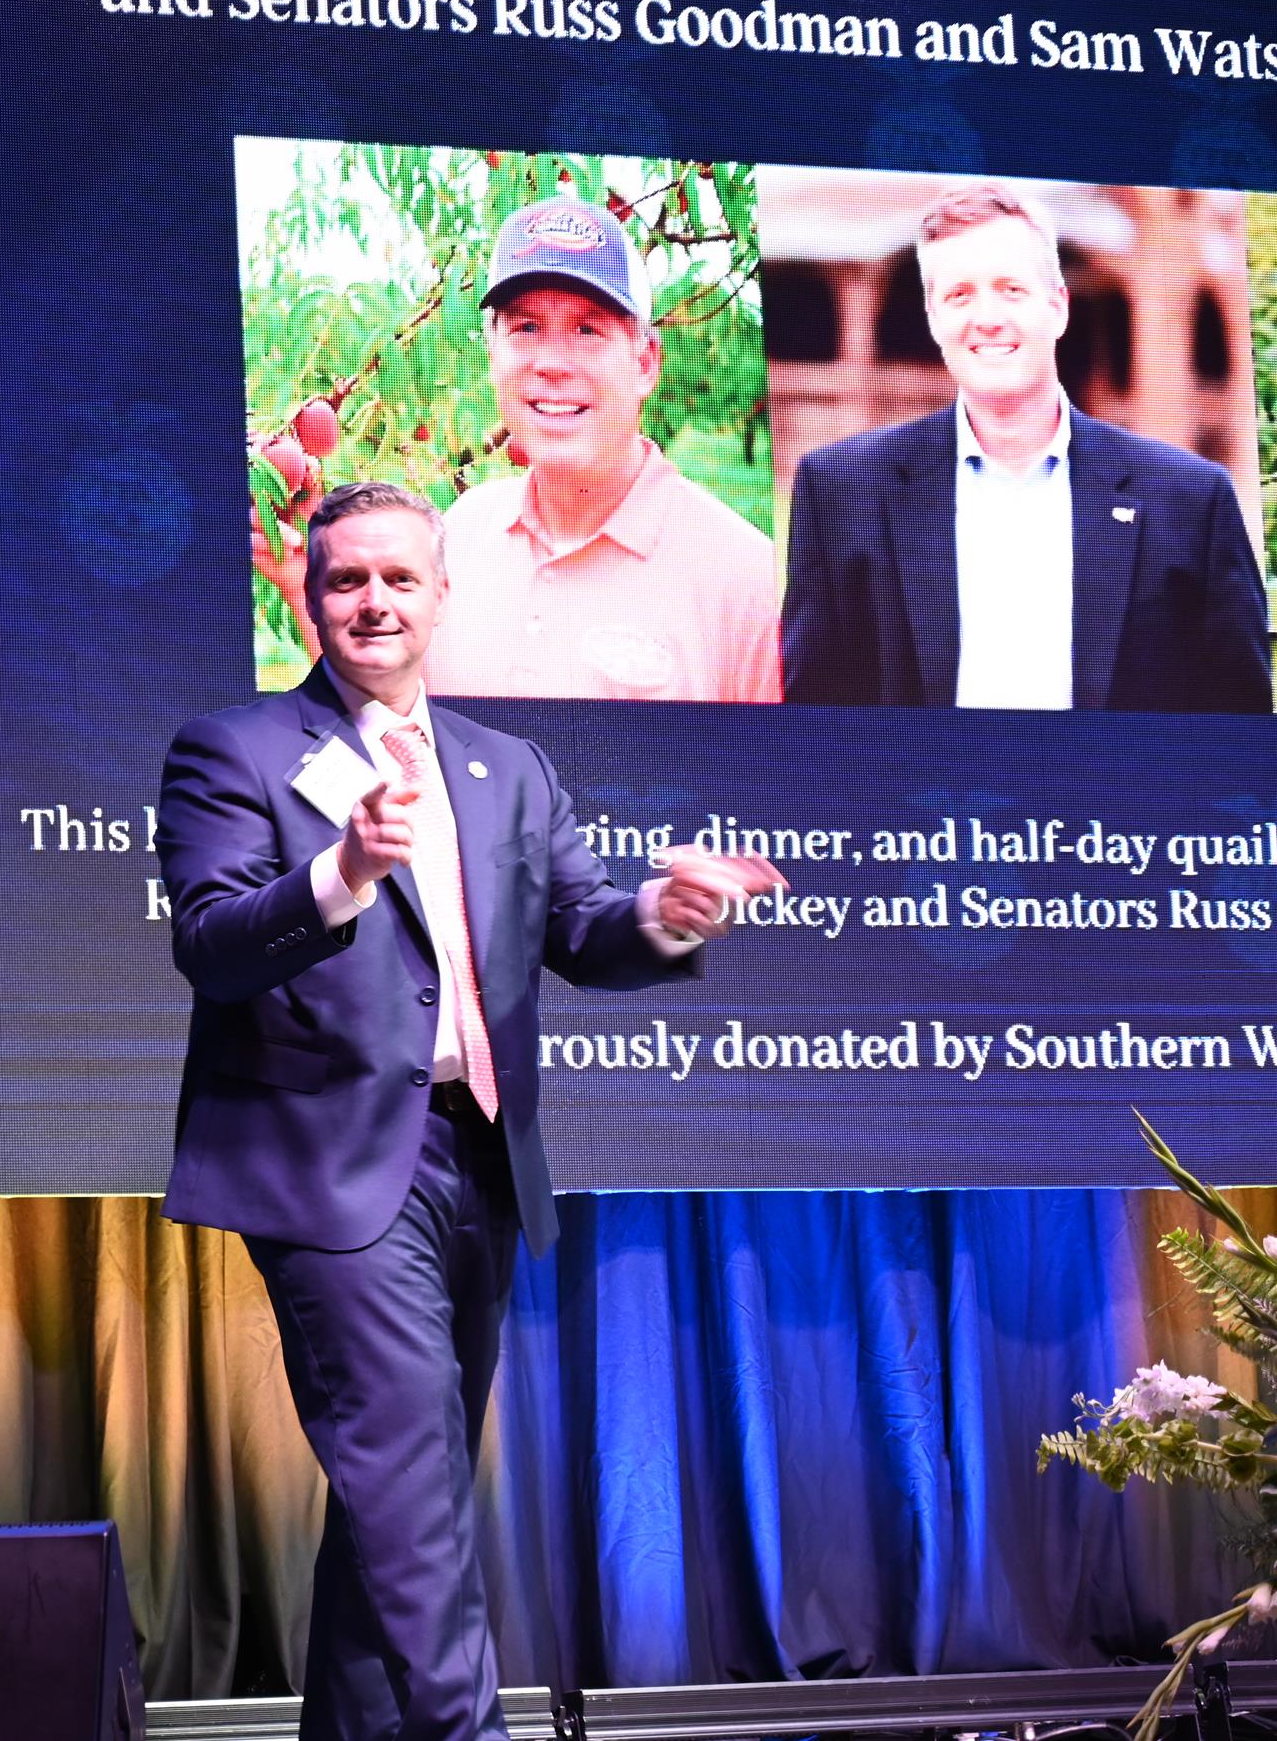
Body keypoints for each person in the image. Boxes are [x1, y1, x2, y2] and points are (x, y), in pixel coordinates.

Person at [156, 480, 781, 1741]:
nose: (374, 602)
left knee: (398, 1497)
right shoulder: (235, 750)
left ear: (443, 594)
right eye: (346, 579)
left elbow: (581, 928)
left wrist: (666, 916)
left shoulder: (506, 767)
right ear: (310, 599)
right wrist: (344, 870)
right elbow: (212, 947)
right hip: (332, 1171)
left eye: (399, 577)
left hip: (479, 1160)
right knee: (411, 1483)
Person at [783, 181, 1270, 712]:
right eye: (959, 295)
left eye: (1011, 289)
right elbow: (815, 719)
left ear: (1058, 308)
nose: (987, 318)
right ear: (933, 317)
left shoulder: (1191, 500)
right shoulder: (841, 492)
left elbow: (1238, 725)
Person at [428, 195, 780, 703]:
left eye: (587, 330)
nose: (552, 363)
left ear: (645, 364)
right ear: (492, 353)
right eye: (526, 327)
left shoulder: (747, 581)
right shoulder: (460, 534)